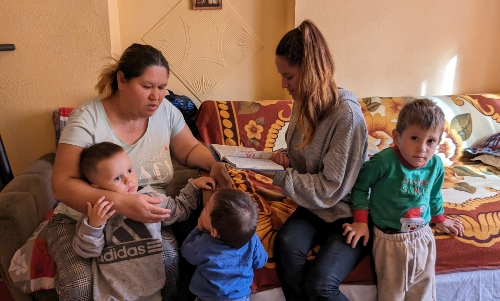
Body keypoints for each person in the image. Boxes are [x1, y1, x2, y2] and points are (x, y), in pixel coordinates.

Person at [47, 43, 231, 301]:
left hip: (147, 217)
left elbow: (188, 149)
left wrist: (213, 164)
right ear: (122, 80)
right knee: (79, 282)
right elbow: (62, 184)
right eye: (147, 87)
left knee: (168, 261)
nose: (157, 96)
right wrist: (122, 203)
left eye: (162, 87)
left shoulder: (166, 112)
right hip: (85, 219)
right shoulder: (87, 118)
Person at [258, 20, 369, 300]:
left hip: (349, 211)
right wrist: (284, 160)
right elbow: (303, 157)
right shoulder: (303, 102)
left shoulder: (347, 116)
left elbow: (330, 189)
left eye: (289, 77)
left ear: (311, 73)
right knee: (286, 244)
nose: (283, 85)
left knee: (319, 286)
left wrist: (281, 177)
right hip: (315, 207)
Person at [342, 98, 465, 301]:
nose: (422, 148)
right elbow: (360, 188)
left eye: (431, 141)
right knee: (392, 294)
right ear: (397, 137)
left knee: (423, 294)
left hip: (423, 236)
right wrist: (361, 222)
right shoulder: (383, 162)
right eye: (414, 138)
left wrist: (440, 219)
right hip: (390, 240)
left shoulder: (435, 165)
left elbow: (434, 194)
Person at [72, 141, 214, 300]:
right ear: (96, 187)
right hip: (111, 294)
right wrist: (94, 226)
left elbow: (177, 210)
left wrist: (193, 187)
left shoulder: (151, 197)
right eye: (117, 178)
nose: (129, 180)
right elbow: (87, 251)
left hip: (150, 290)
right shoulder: (98, 213)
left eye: (129, 170)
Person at [181, 188, 268, 301]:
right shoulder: (253, 239)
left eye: (207, 209)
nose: (204, 209)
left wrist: (198, 229)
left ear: (214, 232)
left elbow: (185, 250)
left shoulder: (203, 244)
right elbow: (261, 262)